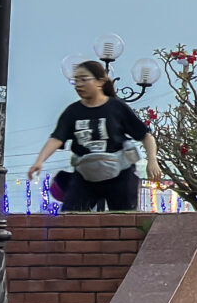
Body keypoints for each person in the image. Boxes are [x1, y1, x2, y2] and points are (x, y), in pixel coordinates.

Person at [26, 61, 154, 212]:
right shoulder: (72, 112)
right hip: (86, 175)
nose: (78, 85)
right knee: (70, 215)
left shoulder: (116, 107)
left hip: (120, 174)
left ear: (100, 81)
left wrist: (152, 161)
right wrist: (39, 161)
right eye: (75, 80)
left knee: (124, 218)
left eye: (84, 79)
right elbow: (57, 138)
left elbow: (146, 136)